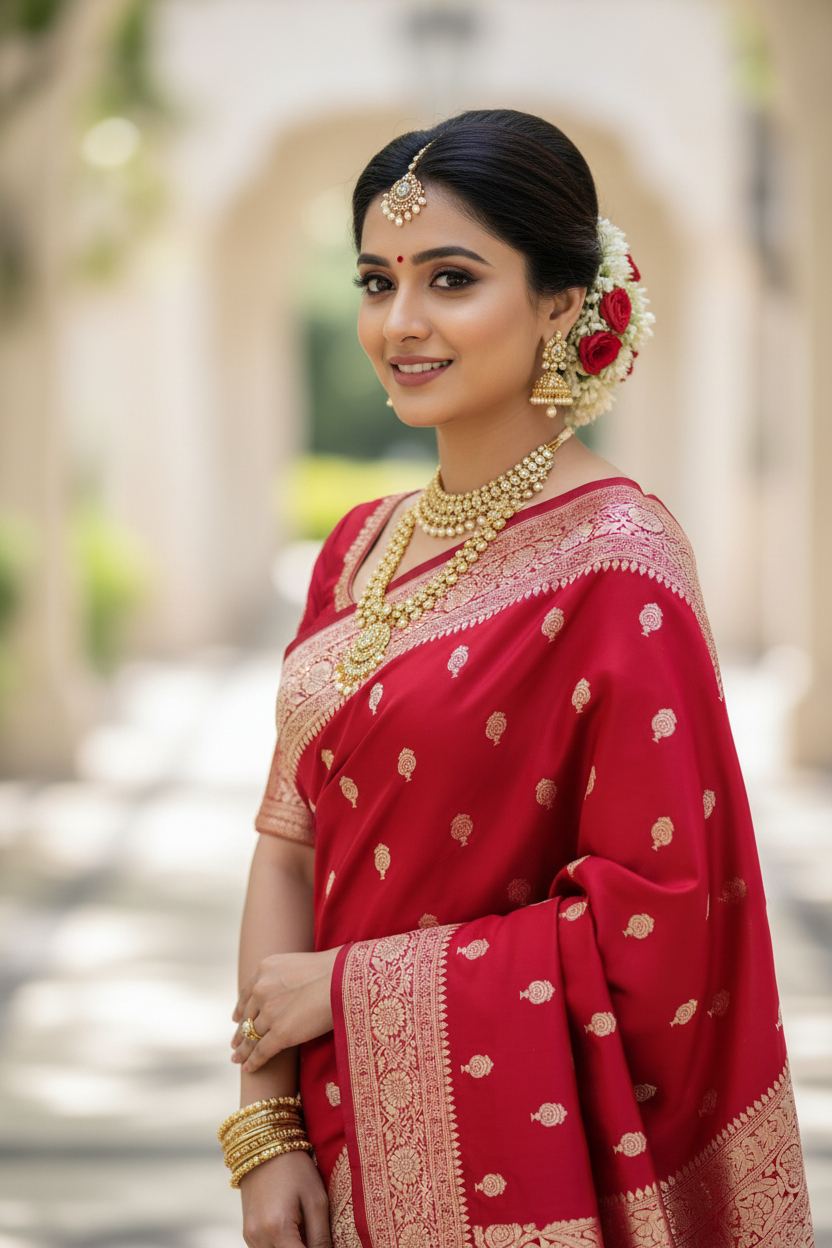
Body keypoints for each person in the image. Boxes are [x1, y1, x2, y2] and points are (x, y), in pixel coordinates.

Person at [220, 110, 815, 1248]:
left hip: (518, 1178)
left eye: (450, 279)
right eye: (375, 280)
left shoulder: (619, 565)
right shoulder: (356, 548)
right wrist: (266, 1134)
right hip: (331, 1149)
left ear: (559, 300)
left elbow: (661, 931)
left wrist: (347, 991)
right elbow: (287, 844)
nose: (400, 324)